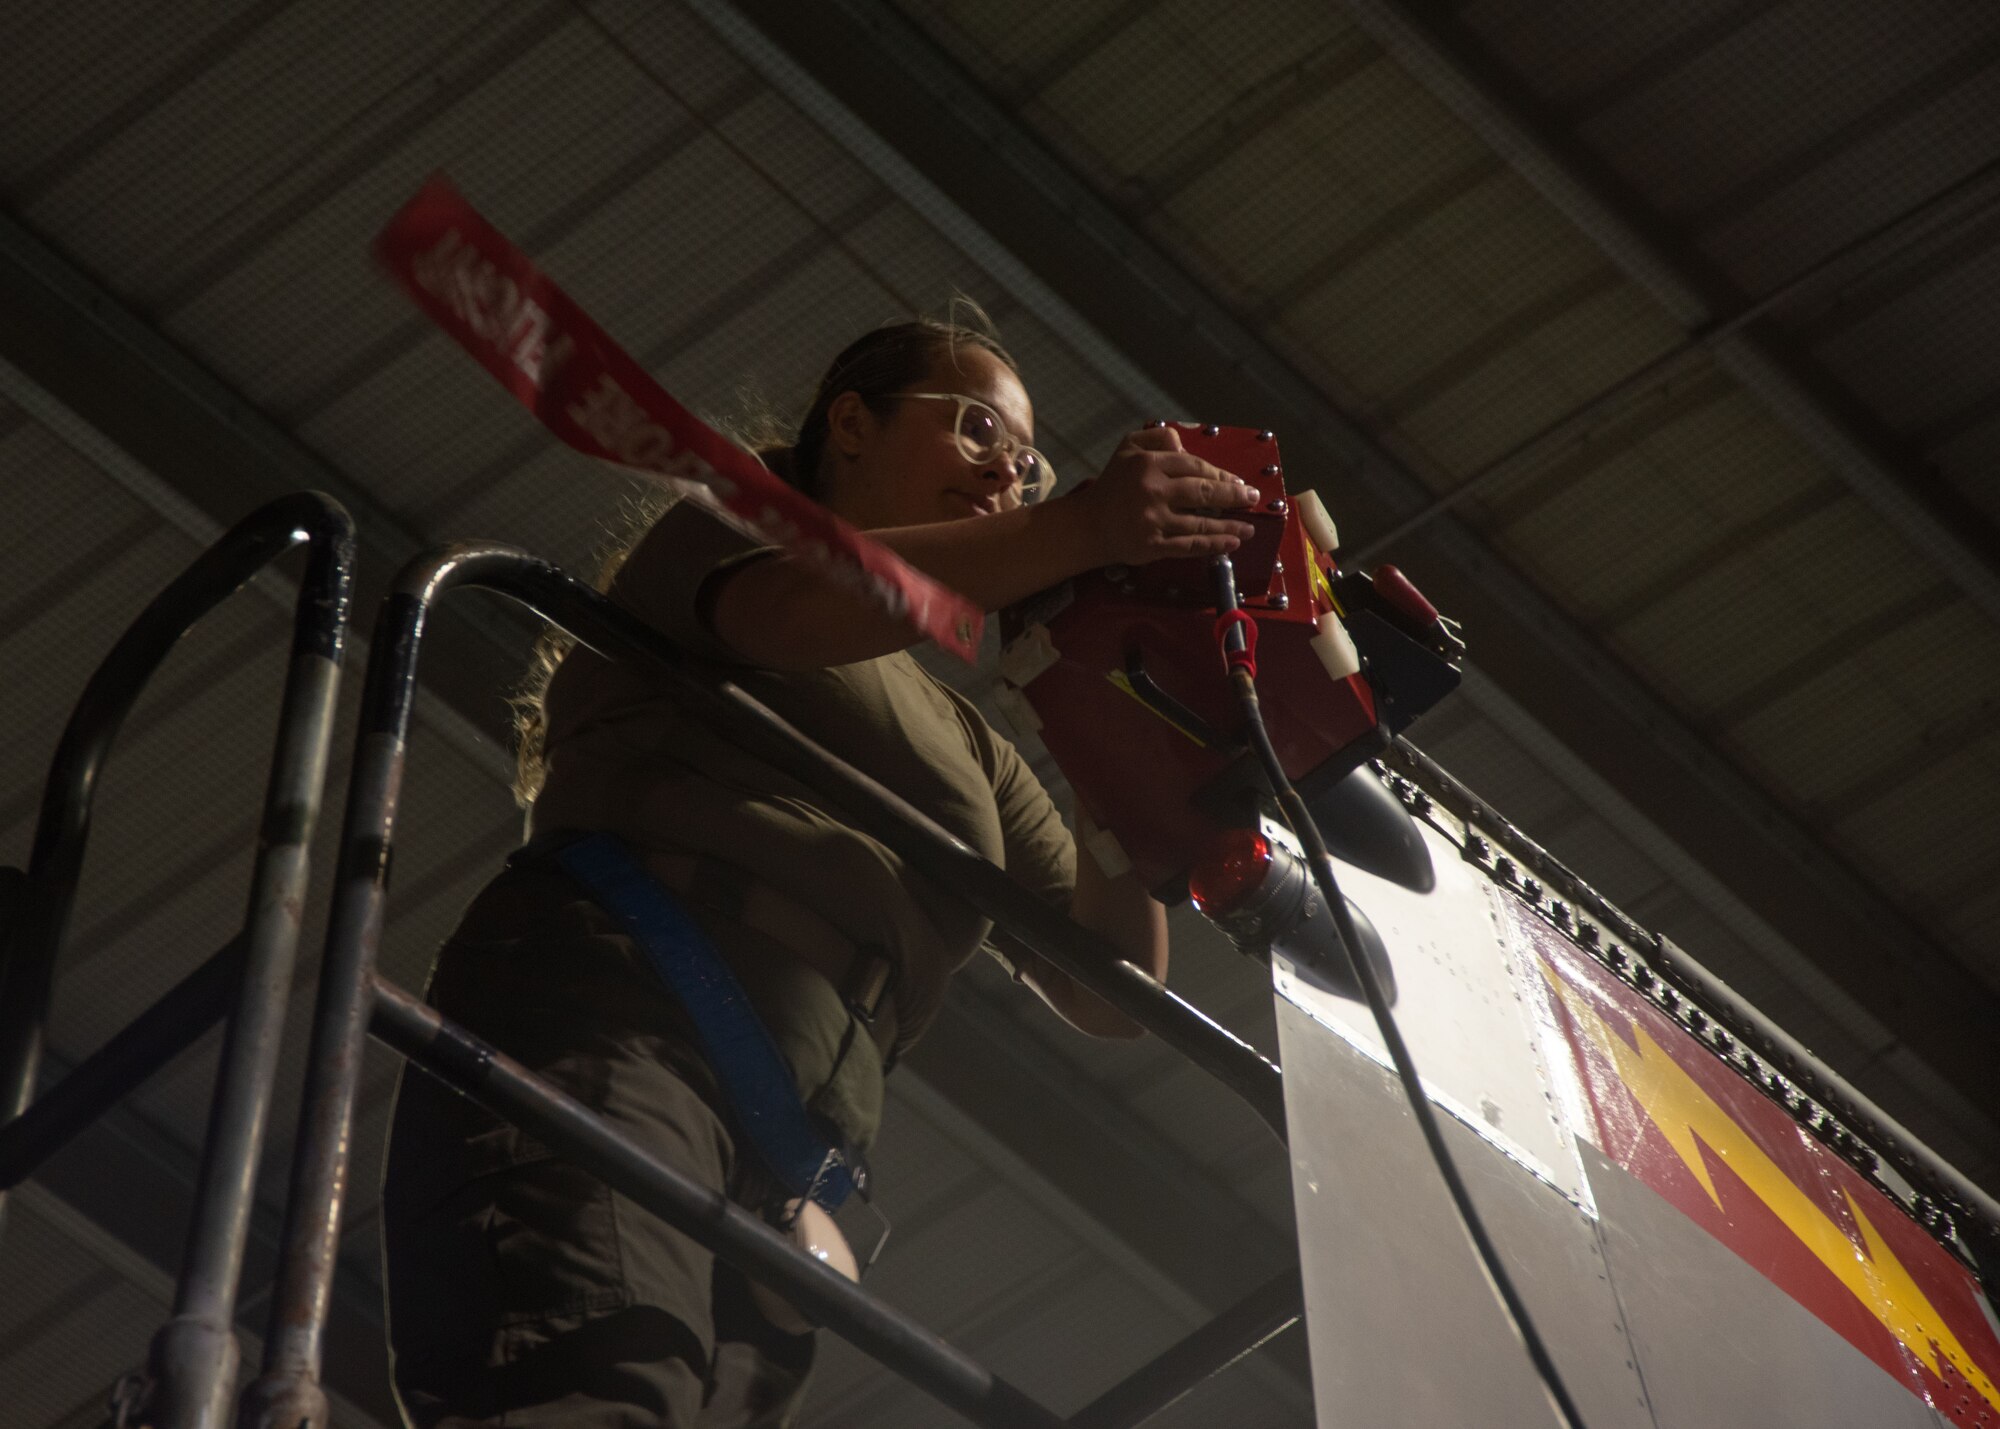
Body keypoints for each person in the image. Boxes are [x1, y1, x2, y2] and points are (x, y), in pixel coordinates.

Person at [380, 312, 1262, 1427]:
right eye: (980, 428)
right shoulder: (732, 524)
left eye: (1029, 463)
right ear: (850, 423)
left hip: (792, 1158)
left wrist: (1120, 751)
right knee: (598, 1392)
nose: (1010, 474)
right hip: (618, 1025)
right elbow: (801, 606)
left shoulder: (972, 743)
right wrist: (1084, 528)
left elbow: (1109, 987)